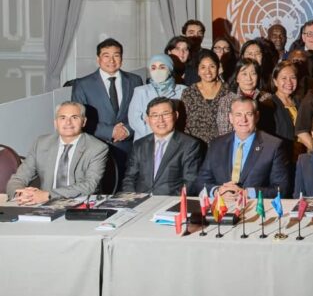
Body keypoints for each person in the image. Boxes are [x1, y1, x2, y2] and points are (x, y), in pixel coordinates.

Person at [6, 101, 109, 203]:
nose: (68, 122)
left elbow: (89, 185)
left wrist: (48, 195)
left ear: (84, 121)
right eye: (63, 118)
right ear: (55, 123)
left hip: (80, 203)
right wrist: (21, 194)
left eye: (74, 117)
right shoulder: (41, 143)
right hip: (45, 205)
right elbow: (19, 178)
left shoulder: (97, 148)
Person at [71, 38, 144, 175]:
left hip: (129, 149)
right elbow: (77, 119)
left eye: (116, 55)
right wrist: (110, 131)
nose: (112, 60)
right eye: (106, 56)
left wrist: (127, 130)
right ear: (98, 59)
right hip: (96, 149)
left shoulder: (135, 80)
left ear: (121, 58)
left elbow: (142, 113)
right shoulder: (82, 84)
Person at [196, 97, 291, 197]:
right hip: (222, 203)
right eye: (238, 114)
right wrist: (218, 191)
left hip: (254, 204)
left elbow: (281, 188)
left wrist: (247, 193)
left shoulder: (273, 146)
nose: (243, 119)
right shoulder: (216, 144)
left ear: (257, 116)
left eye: (249, 114)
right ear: (230, 118)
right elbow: (201, 182)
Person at [122, 97, 203, 195]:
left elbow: (190, 182)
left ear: (176, 115)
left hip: (172, 201)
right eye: (155, 115)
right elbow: (129, 178)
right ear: (147, 119)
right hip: (140, 200)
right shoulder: (139, 144)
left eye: (166, 114)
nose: (161, 120)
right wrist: (132, 199)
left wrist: (168, 201)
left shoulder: (190, 145)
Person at [127, 54, 186, 141]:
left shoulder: (183, 90)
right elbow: (134, 120)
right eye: (153, 68)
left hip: (175, 141)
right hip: (145, 140)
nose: (157, 71)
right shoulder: (140, 91)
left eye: (162, 67)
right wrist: (155, 135)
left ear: (170, 69)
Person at [181, 49, 233, 145]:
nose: (208, 71)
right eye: (203, 67)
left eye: (212, 66)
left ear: (218, 68)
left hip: (222, 145)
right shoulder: (189, 93)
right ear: (198, 71)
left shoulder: (228, 91)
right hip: (194, 145)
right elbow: (184, 122)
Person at [216, 57, 276, 137]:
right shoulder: (226, 101)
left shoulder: (266, 98)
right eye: (244, 74)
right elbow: (224, 132)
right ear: (237, 78)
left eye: (253, 73)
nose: (249, 78)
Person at [268, 60, 302, 150]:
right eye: (284, 78)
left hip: (302, 154)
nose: (289, 82)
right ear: (275, 81)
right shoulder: (269, 105)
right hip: (281, 153)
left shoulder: (300, 102)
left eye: (293, 77)